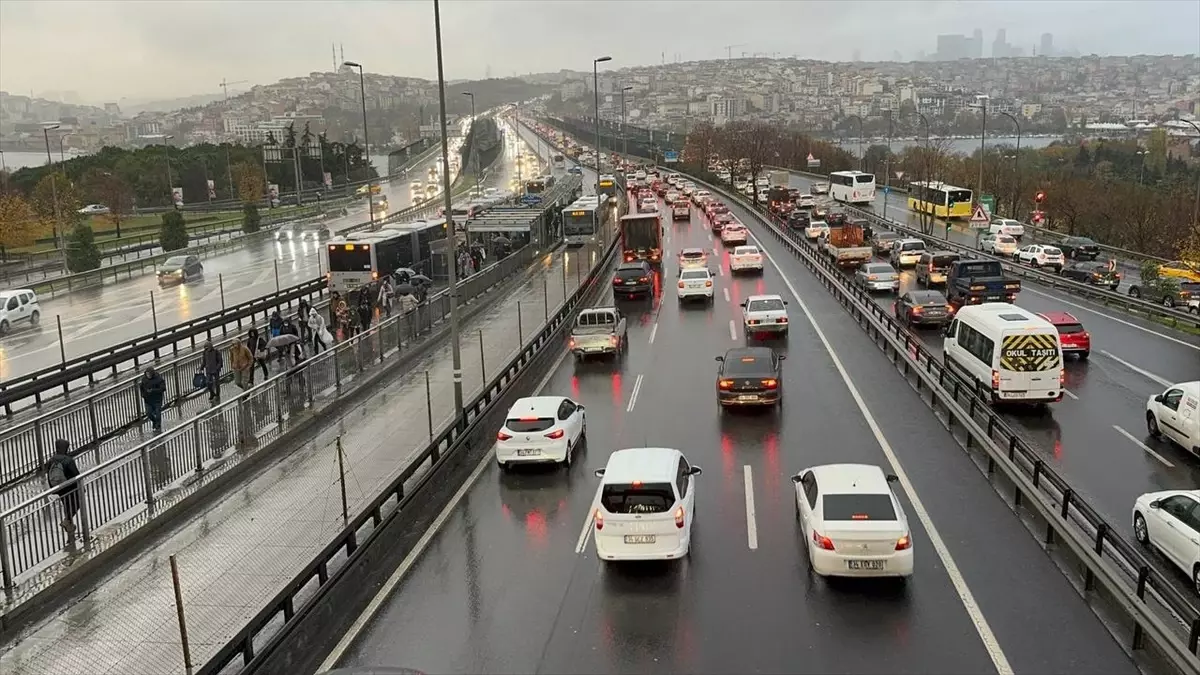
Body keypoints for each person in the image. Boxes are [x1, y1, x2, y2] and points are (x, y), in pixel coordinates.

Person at [46, 439, 81, 542]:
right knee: (76, 504)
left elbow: (49, 474)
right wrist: (81, 486)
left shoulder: (51, 460)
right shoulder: (68, 460)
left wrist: (53, 488)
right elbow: (76, 474)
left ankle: (69, 526)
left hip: (58, 488)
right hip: (70, 487)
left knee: (66, 505)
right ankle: (67, 520)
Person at [139, 367, 167, 432]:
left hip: (157, 400)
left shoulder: (159, 379)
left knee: (158, 413)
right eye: (147, 374)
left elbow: (163, 388)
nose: (148, 375)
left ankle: (158, 426)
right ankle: (154, 422)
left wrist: (153, 391)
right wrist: (143, 395)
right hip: (148, 400)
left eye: (149, 374)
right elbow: (141, 388)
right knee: (148, 413)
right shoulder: (144, 380)